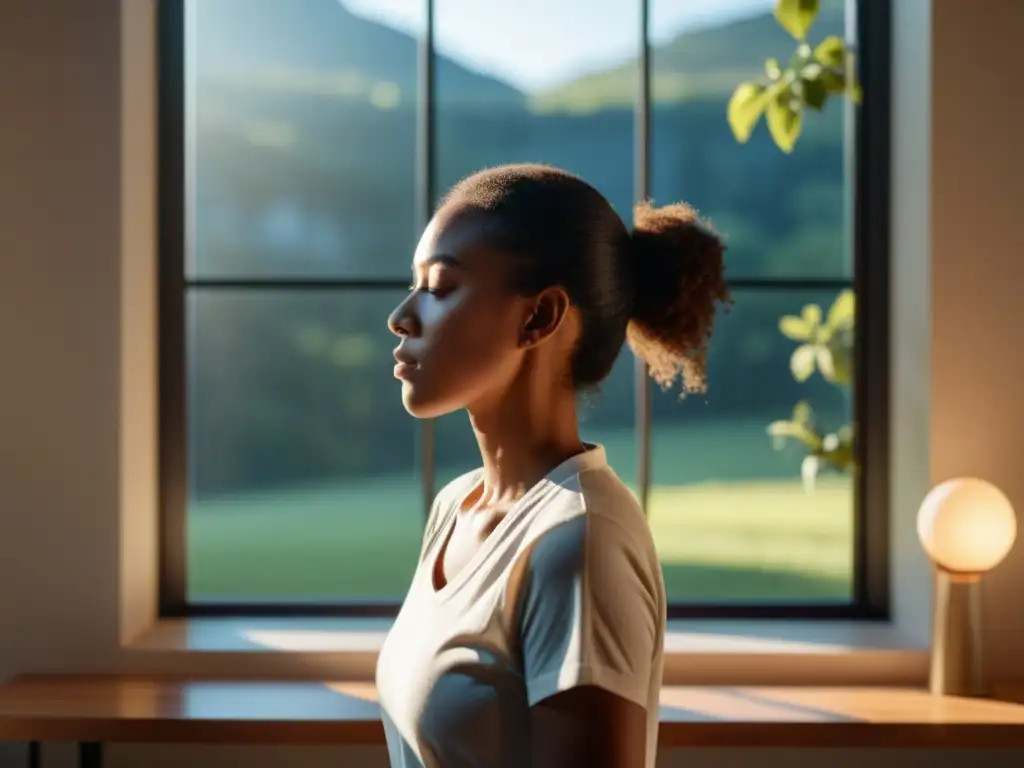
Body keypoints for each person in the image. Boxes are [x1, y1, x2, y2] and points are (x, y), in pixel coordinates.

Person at [376, 163, 730, 768]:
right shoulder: (455, 509)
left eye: (438, 287)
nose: (402, 317)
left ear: (539, 317)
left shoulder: (581, 544)